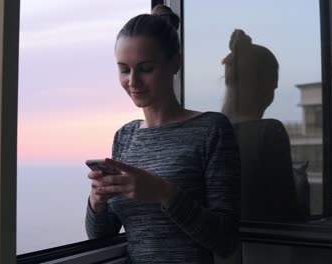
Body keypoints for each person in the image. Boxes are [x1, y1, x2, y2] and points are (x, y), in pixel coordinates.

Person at [85, 5, 240, 263]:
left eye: (145, 68)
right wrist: (96, 201)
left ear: (175, 63)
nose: (132, 81)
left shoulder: (211, 130)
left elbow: (226, 240)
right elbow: (101, 236)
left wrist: (164, 193)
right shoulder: (125, 137)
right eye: (124, 69)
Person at [221, 29, 308, 222]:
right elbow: (286, 214)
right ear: (263, 83)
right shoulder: (269, 132)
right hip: (266, 249)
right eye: (274, 78)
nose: (276, 86)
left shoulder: (212, 133)